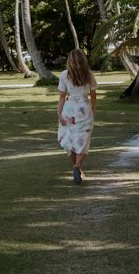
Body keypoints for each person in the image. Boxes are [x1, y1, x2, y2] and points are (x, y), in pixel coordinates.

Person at [57, 48, 97, 184]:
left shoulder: (64, 75)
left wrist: (59, 113)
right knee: (83, 140)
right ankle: (77, 166)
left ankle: (78, 168)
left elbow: (62, 96)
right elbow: (93, 94)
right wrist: (93, 108)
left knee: (71, 140)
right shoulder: (89, 75)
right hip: (84, 108)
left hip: (69, 109)